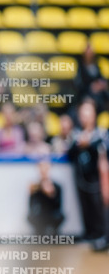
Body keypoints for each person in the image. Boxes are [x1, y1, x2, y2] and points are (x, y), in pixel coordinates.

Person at [66, 99, 108, 250]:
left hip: (97, 179)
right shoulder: (75, 134)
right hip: (80, 177)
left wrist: (89, 145)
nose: (84, 116)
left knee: (99, 207)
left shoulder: (101, 134)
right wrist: (78, 146)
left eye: (87, 113)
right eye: (82, 113)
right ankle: (89, 233)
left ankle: (102, 235)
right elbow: (69, 154)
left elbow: (104, 153)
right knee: (85, 207)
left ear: (94, 114)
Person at [28, 159, 64, 236]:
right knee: (31, 217)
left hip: (52, 215)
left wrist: (51, 195)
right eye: (41, 168)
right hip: (40, 215)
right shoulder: (35, 187)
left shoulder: (56, 186)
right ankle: (39, 232)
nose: (43, 171)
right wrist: (31, 194)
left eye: (45, 168)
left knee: (59, 216)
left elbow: (59, 206)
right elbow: (31, 206)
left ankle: (53, 232)